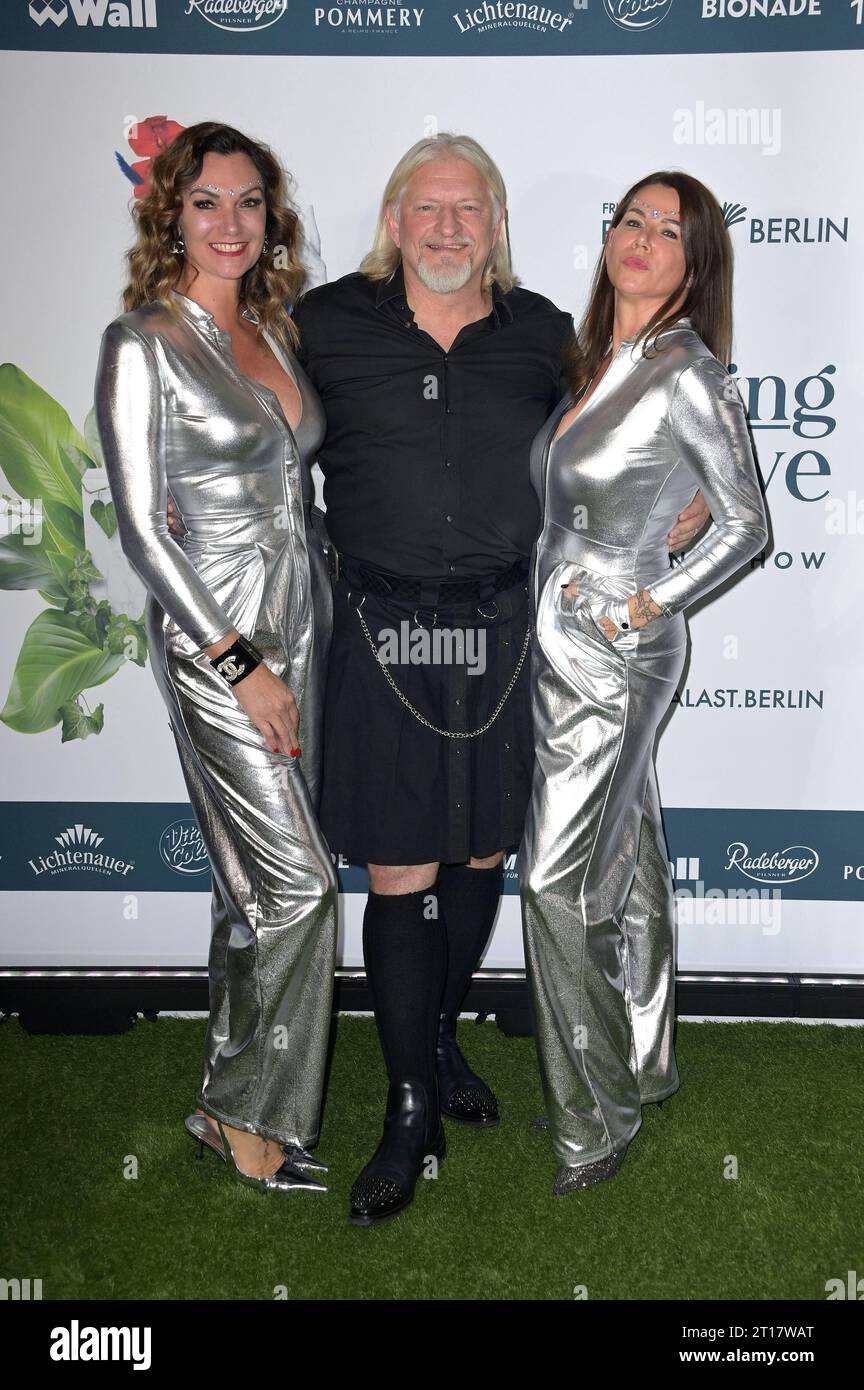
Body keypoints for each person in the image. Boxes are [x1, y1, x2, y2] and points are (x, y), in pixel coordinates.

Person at [292, 135, 711, 1225]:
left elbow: (618, 435)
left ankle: (436, 1030)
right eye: (424, 209)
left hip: (507, 635)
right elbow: (260, 441)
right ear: (393, 221)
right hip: (380, 634)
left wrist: (694, 504)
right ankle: (409, 1102)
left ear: (496, 225)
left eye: (466, 211)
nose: (445, 230)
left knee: (480, 849)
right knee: (398, 867)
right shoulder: (325, 324)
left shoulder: (542, 335)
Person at [94, 122, 338, 1195]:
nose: (230, 222)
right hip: (219, 639)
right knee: (302, 890)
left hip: (304, 618)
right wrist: (240, 660)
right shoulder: (142, 339)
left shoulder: (274, 332)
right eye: (207, 202)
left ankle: (220, 1095)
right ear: (171, 215)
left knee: (251, 889)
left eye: (248, 201)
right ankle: (253, 1120)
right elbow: (143, 528)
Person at [519, 172, 769, 1195]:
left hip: (615, 645)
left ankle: (593, 1118)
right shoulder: (596, 360)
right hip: (559, 634)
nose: (644, 240)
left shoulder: (687, 372)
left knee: (553, 880)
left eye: (670, 231)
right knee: (625, 853)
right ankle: (646, 1055)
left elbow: (749, 520)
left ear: (695, 262)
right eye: (632, 220)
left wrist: (643, 606)